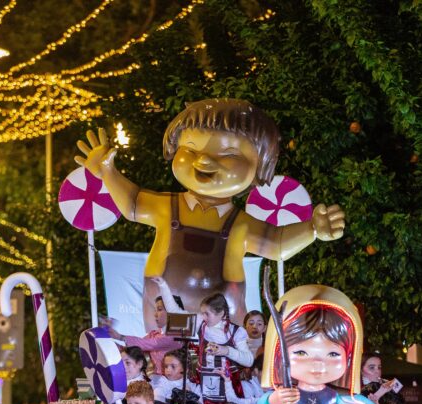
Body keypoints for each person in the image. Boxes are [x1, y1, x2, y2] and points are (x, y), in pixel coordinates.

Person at [76, 99, 345, 330]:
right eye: (191, 149)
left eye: (228, 154)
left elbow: (275, 242)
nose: (203, 161)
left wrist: (312, 229)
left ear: (258, 167)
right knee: (165, 359)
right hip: (162, 315)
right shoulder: (165, 205)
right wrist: (107, 173)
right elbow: (133, 203)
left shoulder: (240, 224)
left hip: (225, 320)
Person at [256, 285, 381, 404]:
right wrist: (274, 400)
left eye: (332, 354)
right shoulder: (289, 396)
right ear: (280, 356)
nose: (317, 364)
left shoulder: (335, 398)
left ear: (348, 360)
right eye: (301, 352)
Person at [196, 293, 253, 404]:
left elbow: (249, 360)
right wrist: (164, 286)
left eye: (207, 313)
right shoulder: (202, 326)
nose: (203, 317)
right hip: (205, 388)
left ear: (221, 313)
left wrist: (226, 351)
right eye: (202, 313)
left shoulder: (235, 331)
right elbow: (175, 311)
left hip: (228, 388)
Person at [107, 291, 184, 375]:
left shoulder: (177, 336)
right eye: (156, 310)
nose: (155, 314)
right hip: (156, 379)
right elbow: (134, 349)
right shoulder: (154, 334)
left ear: (172, 313)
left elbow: (150, 343)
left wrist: (120, 337)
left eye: (159, 309)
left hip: (173, 383)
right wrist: (110, 342)